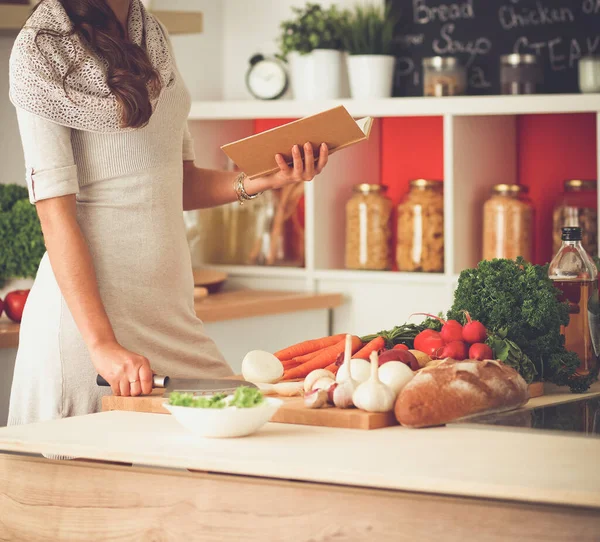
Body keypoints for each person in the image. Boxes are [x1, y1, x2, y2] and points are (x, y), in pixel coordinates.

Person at [7, 0, 329, 427]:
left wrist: (260, 180)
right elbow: (55, 218)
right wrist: (102, 345)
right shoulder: (40, 48)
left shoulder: (151, 35)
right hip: (88, 333)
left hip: (172, 318)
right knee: (94, 490)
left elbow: (175, 181)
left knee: (252, 444)